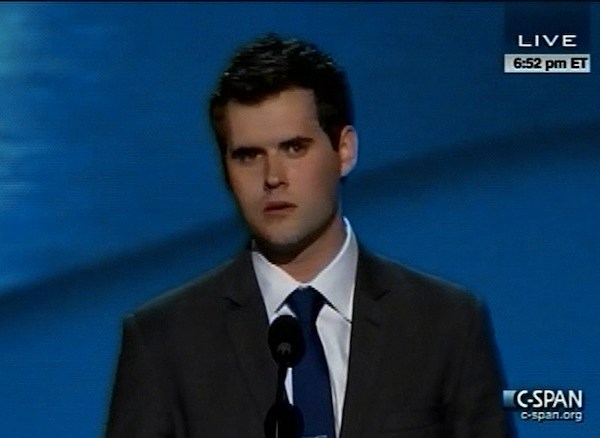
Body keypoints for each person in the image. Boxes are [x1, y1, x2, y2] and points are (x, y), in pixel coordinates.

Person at [106, 33, 511, 438]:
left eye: (294, 148)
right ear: (225, 170)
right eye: (248, 156)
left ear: (344, 150)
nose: (272, 177)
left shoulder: (446, 325)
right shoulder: (163, 343)